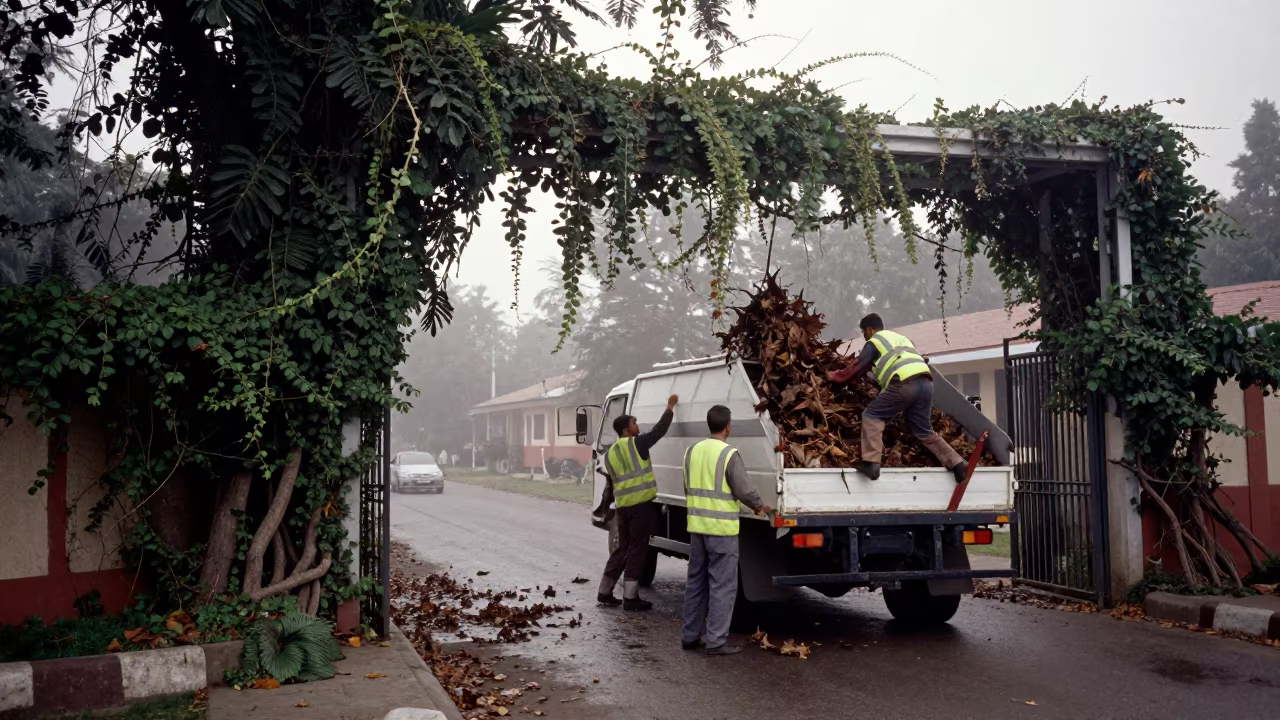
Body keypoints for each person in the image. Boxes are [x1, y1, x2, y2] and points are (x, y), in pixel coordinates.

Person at [827, 313, 968, 482]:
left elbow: (857, 367)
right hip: (926, 384)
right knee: (923, 430)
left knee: (872, 415)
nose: (865, 338)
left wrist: (835, 377)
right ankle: (958, 463)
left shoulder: (876, 341)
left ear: (870, 330)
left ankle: (871, 464)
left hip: (904, 383)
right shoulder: (900, 339)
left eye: (864, 333)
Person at [680, 405, 772, 656]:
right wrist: (758, 505)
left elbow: (688, 488)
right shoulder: (728, 454)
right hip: (721, 530)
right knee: (722, 585)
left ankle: (689, 636)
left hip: (697, 527)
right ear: (728, 426)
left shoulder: (691, 451)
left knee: (696, 583)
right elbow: (743, 489)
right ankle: (716, 641)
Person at [594, 394, 679, 611]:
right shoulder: (637, 444)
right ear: (625, 430)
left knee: (622, 548)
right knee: (637, 549)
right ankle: (630, 598)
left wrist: (609, 509)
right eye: (634, 423)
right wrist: (669, 407)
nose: (637, 425)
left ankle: (604, 592)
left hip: (623, 507)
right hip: (640, 506)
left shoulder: (611, 452)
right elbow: (659, 430)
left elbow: (611, 485)